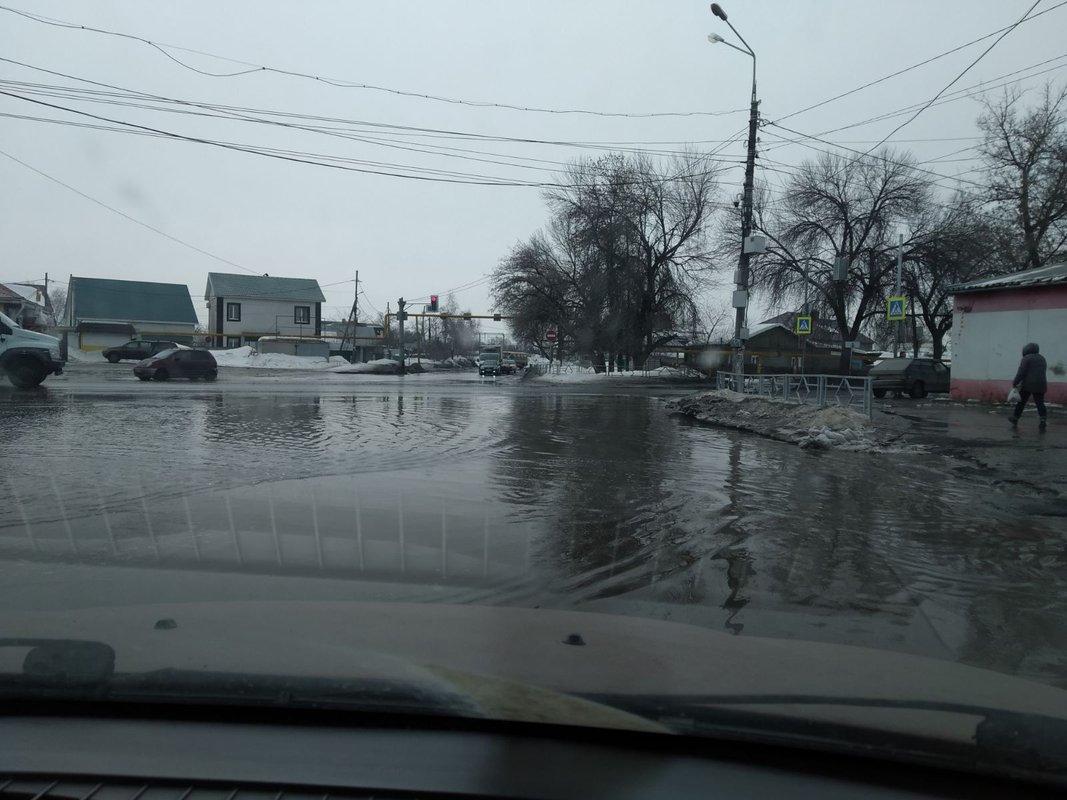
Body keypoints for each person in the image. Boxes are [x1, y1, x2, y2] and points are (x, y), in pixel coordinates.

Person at [1010, 342, 1048, 430]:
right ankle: (1043, 420)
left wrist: (1015, 382)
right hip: (1041, 384)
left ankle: (1015, 418)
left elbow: (1021, 372)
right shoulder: (1042, 358)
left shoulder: (1026, 358)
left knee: (1021, 402)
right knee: (1040, 403)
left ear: (1027, 349)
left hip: (1028, 384)